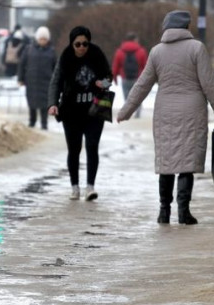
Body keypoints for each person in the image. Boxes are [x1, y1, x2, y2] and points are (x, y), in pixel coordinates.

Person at [117, 10, 214, 225]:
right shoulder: (197, 48)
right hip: (192, 110)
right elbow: (209, 84)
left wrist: (125, 111)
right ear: (186, 27)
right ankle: (184, 212)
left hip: (165, 111)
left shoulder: (157, 52)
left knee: (167, 162)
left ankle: (163, 211)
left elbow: (142, 85)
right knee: (187, 162)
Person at [48, 26, 112, 201]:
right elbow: (56, 82)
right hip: (71, 111)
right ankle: (74, 187)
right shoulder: (66, 57)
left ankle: (90, 187)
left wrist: (103, 83)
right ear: (72, 44)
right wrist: (53, 103)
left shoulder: (97, 54)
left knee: (92, 146)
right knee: (74, 149)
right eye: (78, 44)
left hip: (94, 111)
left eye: (85, 43)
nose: (82, 47)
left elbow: (109, 77)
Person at [18, 26, 56, 130]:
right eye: (41, 38)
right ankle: (32, 121)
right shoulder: (28, 49)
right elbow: (22, 64)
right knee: (32, 102)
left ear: (48, 39)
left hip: (46, 81)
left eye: (44, 39)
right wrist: (20, 79)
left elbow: (55, 67)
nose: (42, 41)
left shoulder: (51, 51)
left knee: (45, 104)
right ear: (37, 38)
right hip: (32, 81)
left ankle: (44, 123)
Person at [112, 31, 148, 118]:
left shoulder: (119, 51)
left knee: (127, 97)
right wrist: (146, 79)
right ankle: (137, 113)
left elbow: (115, 66)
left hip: (125, 78)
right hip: (138, 78)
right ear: (135, 40)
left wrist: (115, 78)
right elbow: (146, 67)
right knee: (138, 96)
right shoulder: (141, 51)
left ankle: (128, 112)